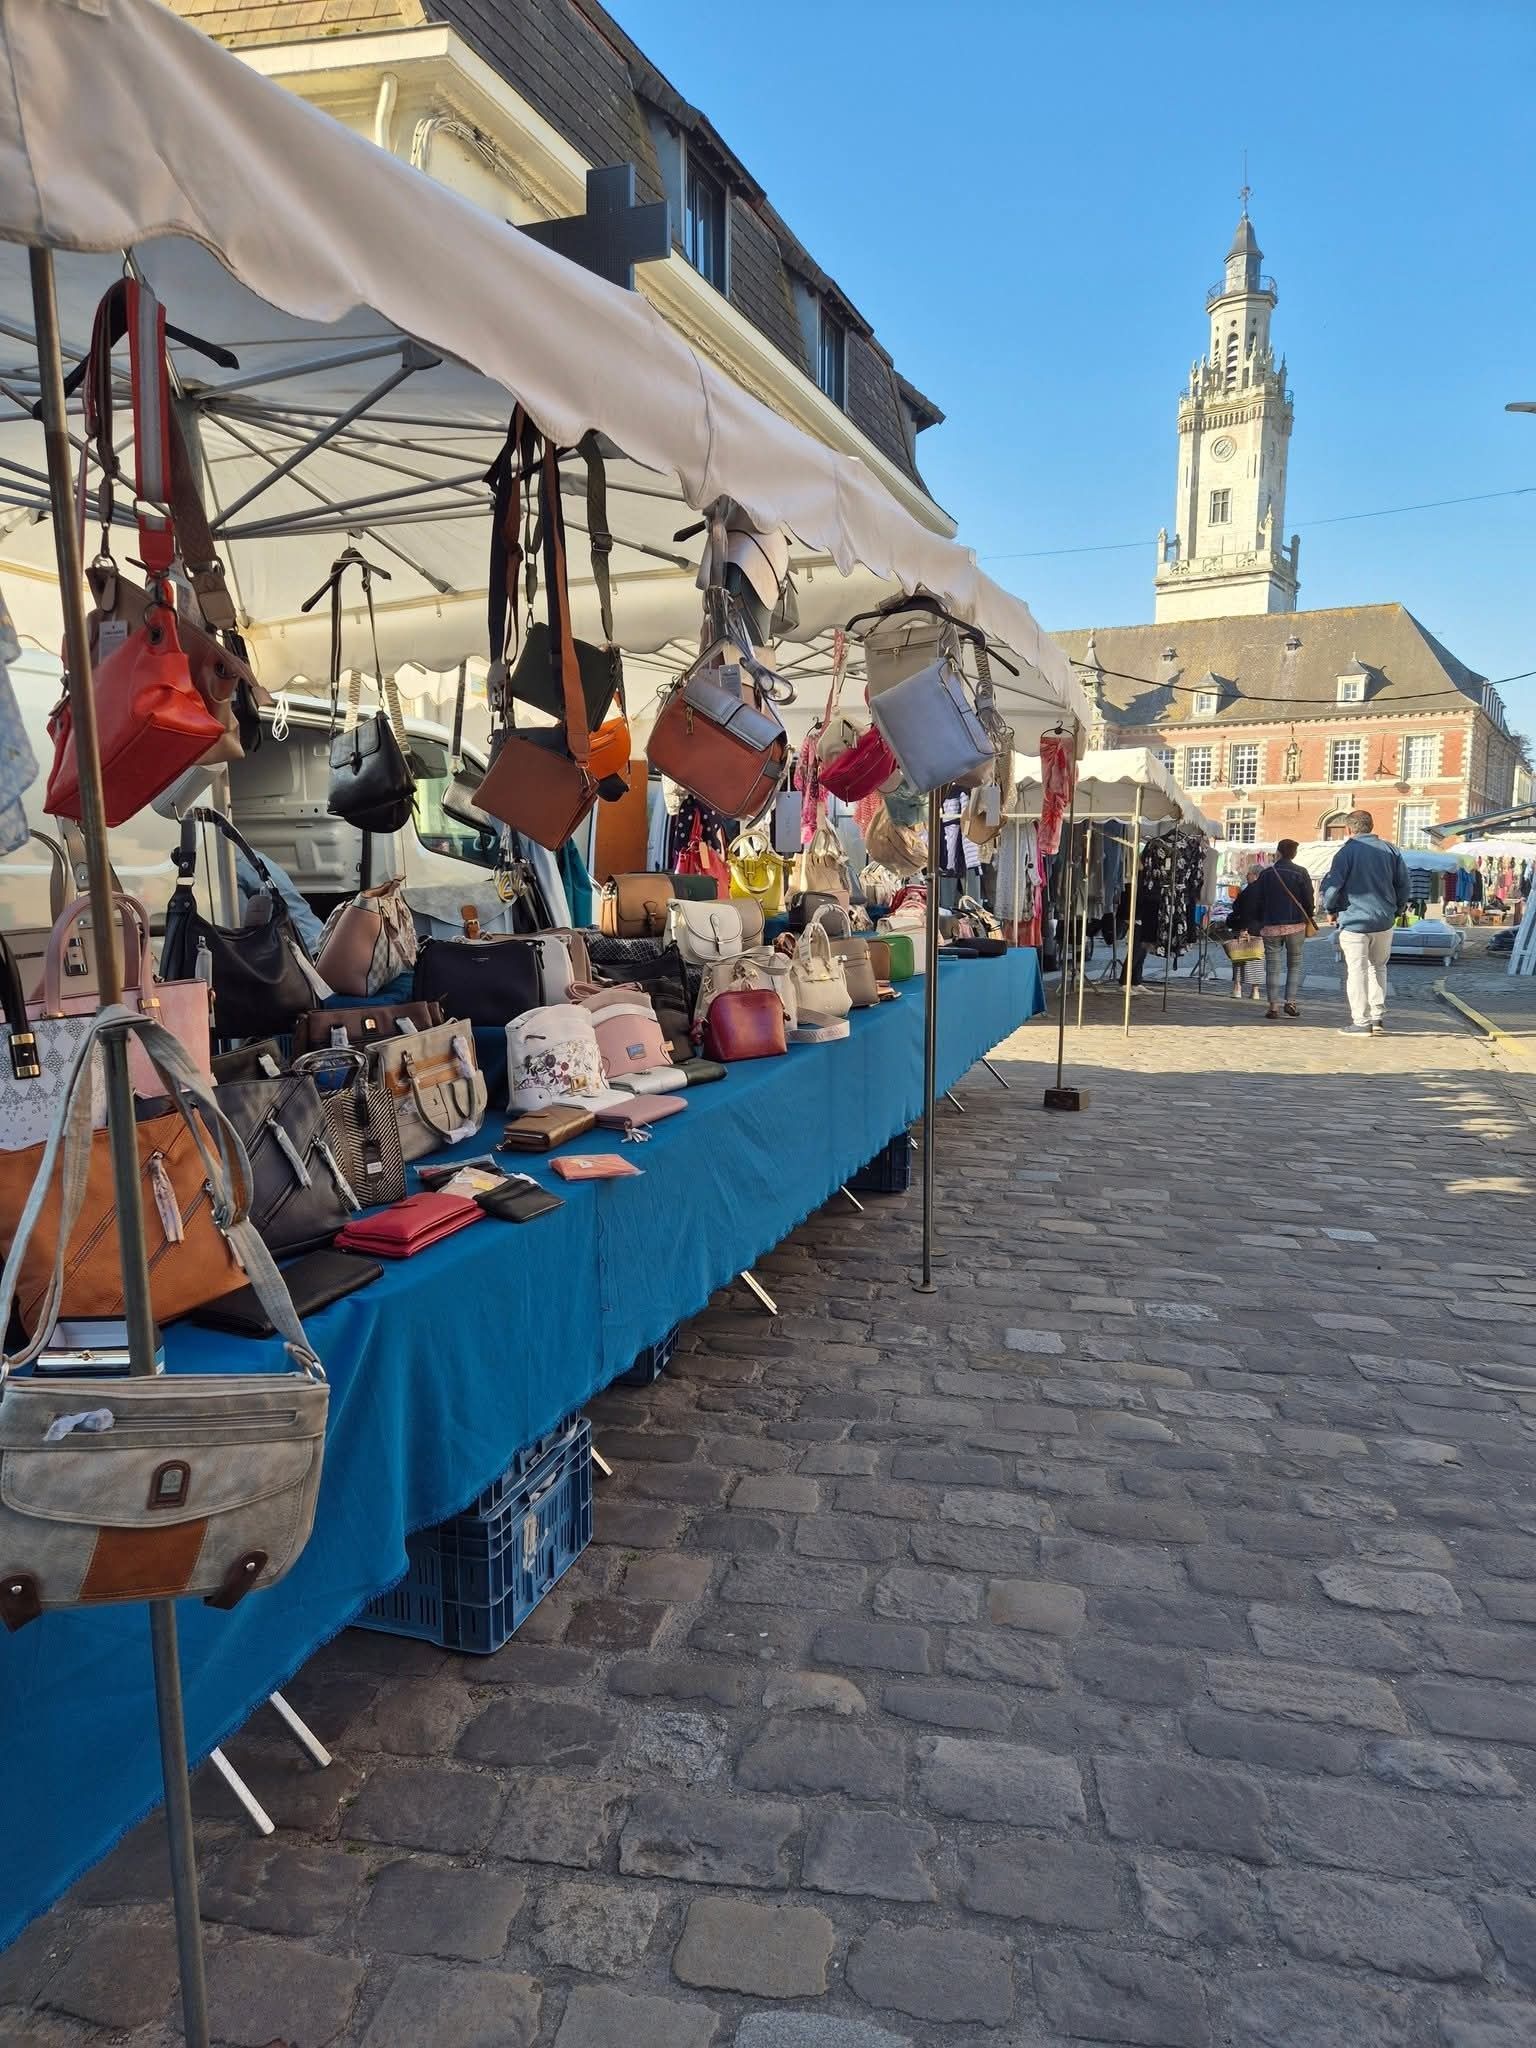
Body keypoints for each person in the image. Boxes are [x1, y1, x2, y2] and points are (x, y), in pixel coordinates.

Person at [1321, 810, 1410, 1036]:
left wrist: (1330, 909)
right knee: (1378, 967)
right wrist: (1397, 909)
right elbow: (1404, 884)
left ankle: (1361, 1021)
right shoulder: (1391, 850)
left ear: (1349, 829)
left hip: (1355, 920)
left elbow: (1333, 887)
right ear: (1371, 826)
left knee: (1357, 971)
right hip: (1384, 920)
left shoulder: (1346, 852)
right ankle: (1377, 1016)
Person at [1244, 838, 1316, 1020]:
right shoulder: (1301, 872)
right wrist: (1309, 914)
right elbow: (1309, 898)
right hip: (1296, 925)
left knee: (1272, 967)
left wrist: (1258, 920)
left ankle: (1273, 1006)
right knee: (1295, 964)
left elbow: (1257, 900)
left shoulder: (1267, 874)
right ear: (1294, 854)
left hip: (1271, 925)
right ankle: (1290, 1002)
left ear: (1278, 853)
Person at [1225, 865, 1267, 1001]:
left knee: (1239, 957)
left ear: (1255, 875)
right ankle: (1255, 990)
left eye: (1248, 873)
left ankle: (1237, 988)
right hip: (1261, 929)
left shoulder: (1249, 890)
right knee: (1257, 959)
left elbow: (1242, 910)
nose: (1246, 875)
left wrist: (1243, 927)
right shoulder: (1266, 890)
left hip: (1246, 928)